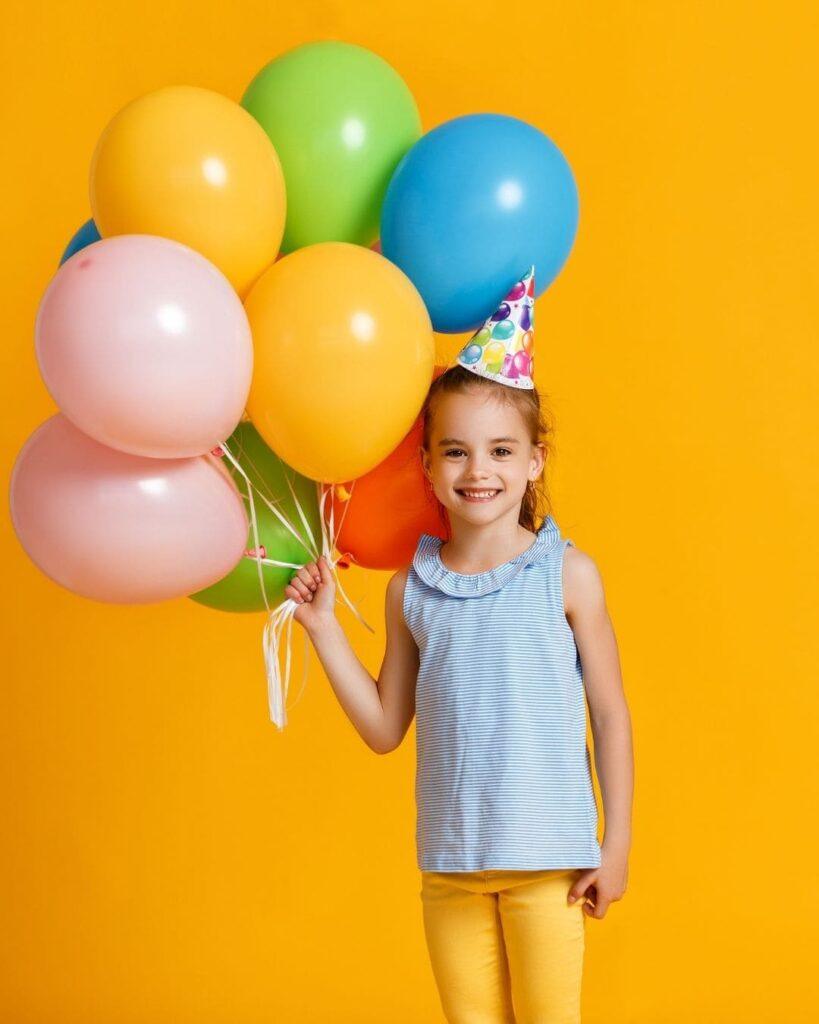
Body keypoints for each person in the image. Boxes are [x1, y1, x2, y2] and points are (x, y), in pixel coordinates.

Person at [285, 268, 634, 1024]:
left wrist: (617, 844)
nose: (479, 471)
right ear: (426, 465)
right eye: (455, 452)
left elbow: (609, 716)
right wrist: (321, 629)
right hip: (448, 867)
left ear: (534, 461)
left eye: (501, 451)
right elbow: (384, 730)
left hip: (550, 865)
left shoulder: (567, 576)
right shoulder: (409, 588)